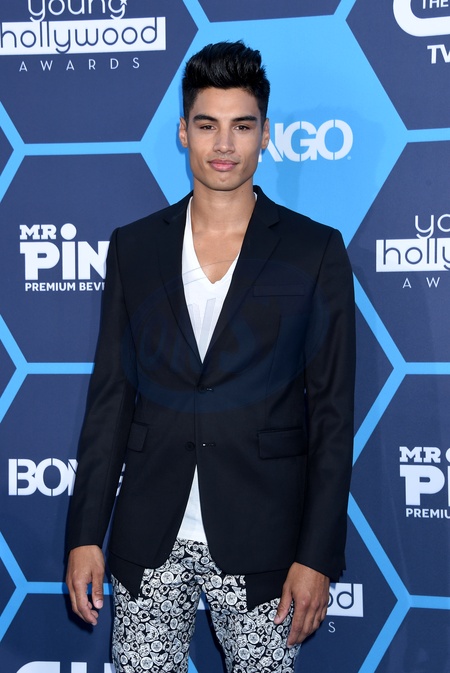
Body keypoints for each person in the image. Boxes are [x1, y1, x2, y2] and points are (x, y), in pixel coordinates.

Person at [66, 40, 355, 673]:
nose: (224, 144)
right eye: (207, 125)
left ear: (265, 135)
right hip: (150, 536)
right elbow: (110, 399)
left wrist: (317, 555)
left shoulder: (314, 251)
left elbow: (333, 417)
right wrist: (85, 533)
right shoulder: (134, 248)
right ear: (183, 132)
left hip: (265, 541)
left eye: (242, 126)